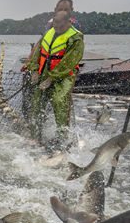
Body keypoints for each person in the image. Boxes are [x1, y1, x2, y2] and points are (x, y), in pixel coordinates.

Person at [25, 10, 85, 140]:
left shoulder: (75, 38)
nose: (58, 29)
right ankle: (35, 133)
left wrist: (52, 78)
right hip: (44, 74)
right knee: (36, 101)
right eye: (56, 25)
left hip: (63, 76)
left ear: (69, 22)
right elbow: (37, 52)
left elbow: (69, 62)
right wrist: (35, 70)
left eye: (61, 26)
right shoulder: (48, 33)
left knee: (59, 101)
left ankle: (60, 136)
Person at [22, 0, 81, 72]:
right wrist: (28, 61)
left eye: (66, 10)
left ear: (71, 10)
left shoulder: (74, 25)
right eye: (60, 9)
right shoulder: (51, 23)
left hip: (65, 68)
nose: (63, 12)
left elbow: (75, 51)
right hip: (48, 64)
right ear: (55, 10)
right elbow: (40, 43)